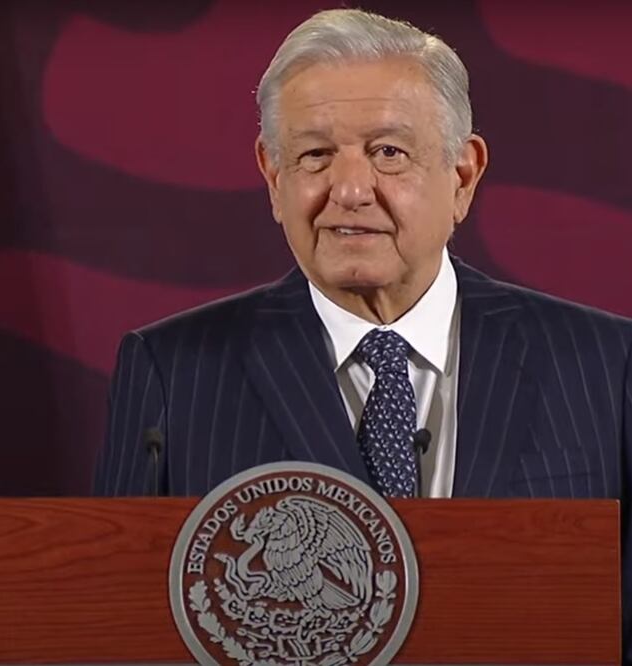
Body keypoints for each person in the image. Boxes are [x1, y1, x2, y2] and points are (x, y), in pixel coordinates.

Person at [92, 8, 632, 660]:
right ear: (272, 176)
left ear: (461, 176)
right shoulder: (172, 372)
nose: (348, 189)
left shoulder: (605, 365)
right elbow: (115, 628)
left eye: (388, 153)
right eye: (315, 155)